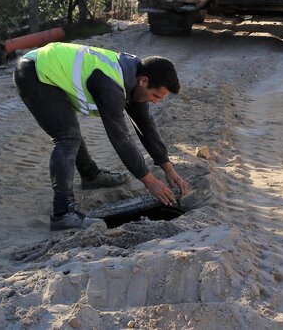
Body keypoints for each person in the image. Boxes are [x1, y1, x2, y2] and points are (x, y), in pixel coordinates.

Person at [14, 41, 190, 231]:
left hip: (47, 66)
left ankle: (90, 176)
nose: (154, 102)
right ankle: (62, 214)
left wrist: (168, 168)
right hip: (35, 72)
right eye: (156, 96)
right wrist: (149, 181)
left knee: (70, 131)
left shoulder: (134, 78)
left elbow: (146, 125)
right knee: (67, 136)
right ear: (144, 81)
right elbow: (120, 137)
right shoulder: (111, 84)